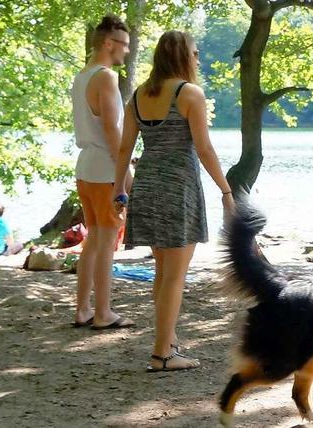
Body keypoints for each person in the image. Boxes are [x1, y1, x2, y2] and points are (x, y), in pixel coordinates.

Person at [114, 30, 234, 372]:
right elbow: (204, 148)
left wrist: (118, 191)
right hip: (178, 188)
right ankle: (162, 354)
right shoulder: (189, 94)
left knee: (164, 272)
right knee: (174, 276)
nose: (198, 59)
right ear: (182, 56)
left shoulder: (138, 96)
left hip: (148, 185)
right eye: (194, 53)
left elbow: (124, 150)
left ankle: (168, 342)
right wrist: (226, 191)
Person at [71, 15, 134, 330]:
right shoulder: (106, 77)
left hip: (86, 166)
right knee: (106, 242)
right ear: (109, 44)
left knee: (94, 240)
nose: (126, 51)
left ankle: (83, 309)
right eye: (123, 45)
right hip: (106, 169)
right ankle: (104, 312)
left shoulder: (82, 76)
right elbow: (112, 130)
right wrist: (126, 175)